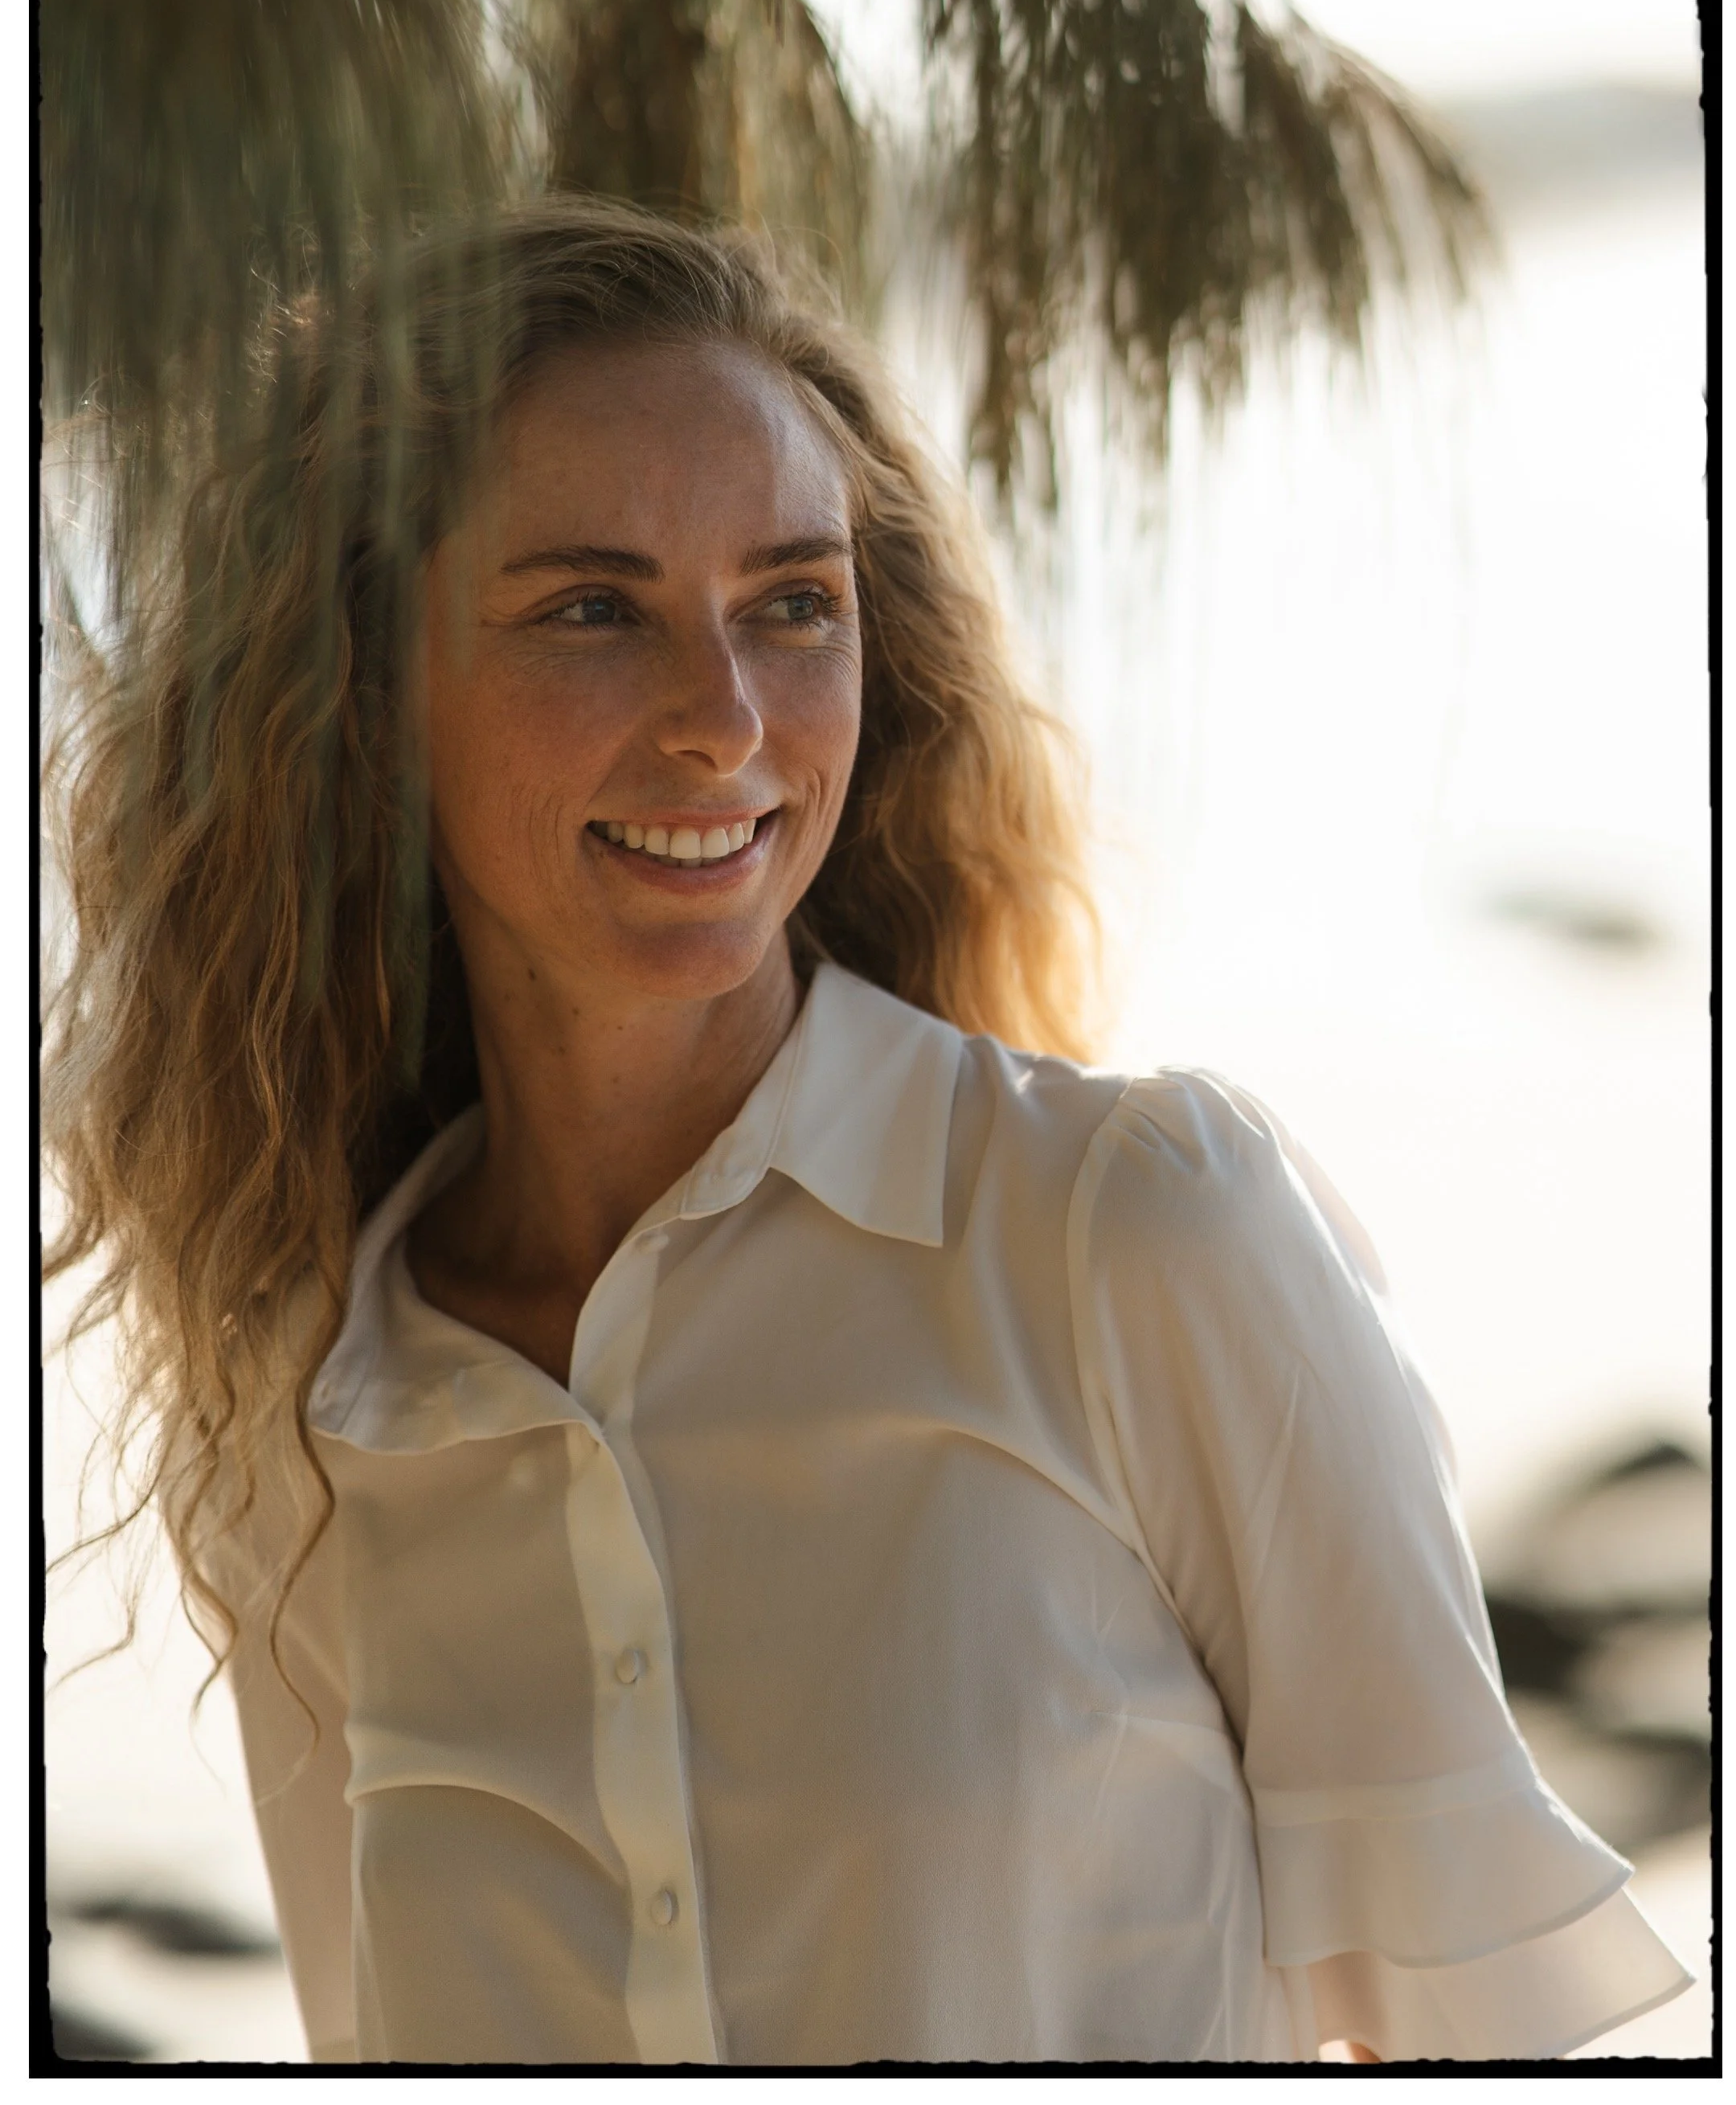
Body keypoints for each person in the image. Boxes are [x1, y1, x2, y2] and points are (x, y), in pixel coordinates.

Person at [43, 198, 1693, 2067]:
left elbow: (1495, 2033)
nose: (724, 720)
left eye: (792, 605)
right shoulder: (306, 1424)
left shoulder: (1133, 1239)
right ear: (363, 697)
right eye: (594, 609)